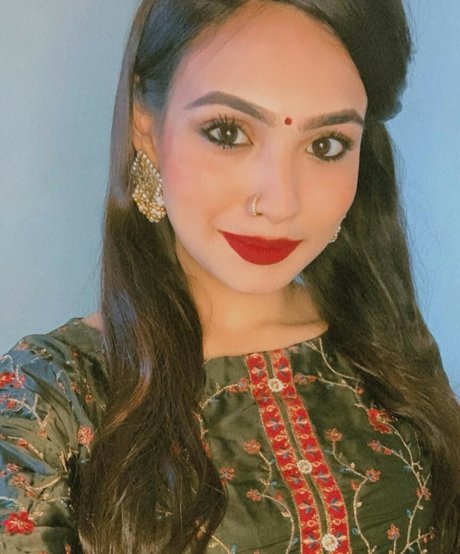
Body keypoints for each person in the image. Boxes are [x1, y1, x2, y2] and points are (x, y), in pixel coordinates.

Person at [0, 0, 459, 552]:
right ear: (146, 126)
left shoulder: (385, 343)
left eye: (326, 145)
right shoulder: (46, 400)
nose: (280, 202)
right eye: (227, 131)